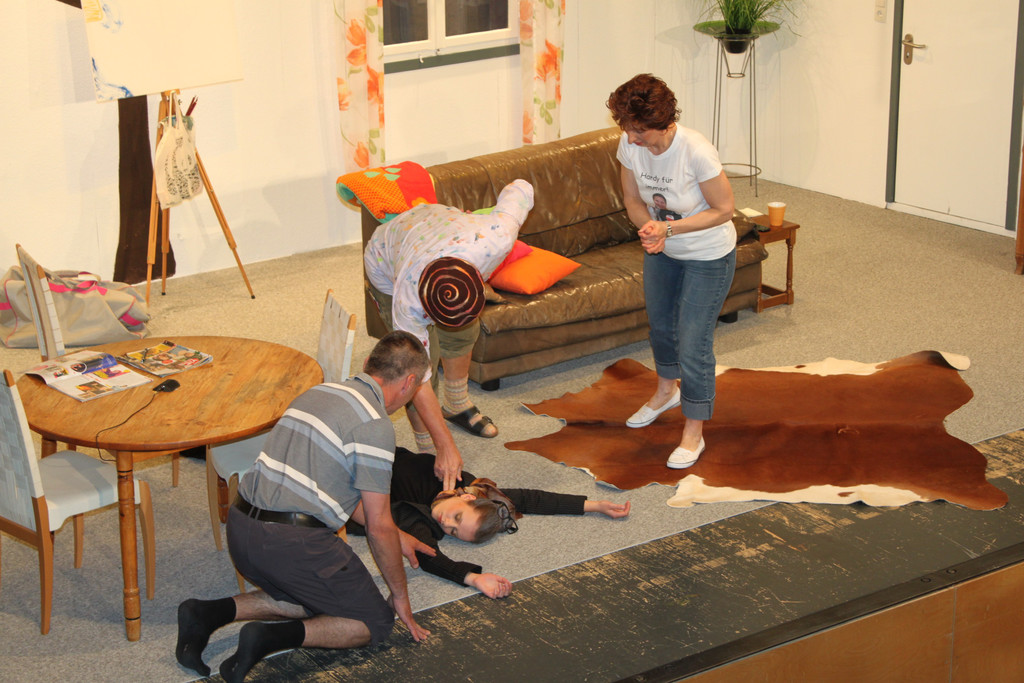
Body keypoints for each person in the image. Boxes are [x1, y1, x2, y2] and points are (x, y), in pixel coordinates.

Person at [175, 331, 436, 683]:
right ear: (408, 383)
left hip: (242, 529)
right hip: (290, 543)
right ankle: (267, 638)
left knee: (317, 594)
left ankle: (206, 613)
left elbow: (346, 494)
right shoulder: (375, 426)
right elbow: (377, 526)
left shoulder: (319, 392)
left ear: (367, 365)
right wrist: (400, 595)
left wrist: (395, 534)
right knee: (373, 621)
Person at [363, 178, 535, 488]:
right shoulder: (407, 300)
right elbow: (415, 379)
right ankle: (426, 447)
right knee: (414, 372)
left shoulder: (497, 236)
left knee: (463, 334)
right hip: (387, 256)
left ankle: (456, 404)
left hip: (439, 221)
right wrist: (444, 447)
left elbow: (521, 187)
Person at [606, 73, 737, 470]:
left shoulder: (696, 151)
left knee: (693, 342)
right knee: (662, 327)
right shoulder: (629, 146)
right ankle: (667, 391)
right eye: (626, 128)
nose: (630, 138)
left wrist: (669, 230)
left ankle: (694, 430)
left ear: (662, 123)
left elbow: (724, 210)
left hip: (708, 255)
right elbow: (632, 199)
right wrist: (648, 228)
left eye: (638, 130)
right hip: (662, 249)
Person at [346, 447, 631, 599]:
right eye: (457, 516)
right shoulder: (467, 484)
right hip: (368, 455)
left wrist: (474, 578)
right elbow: (529, 498)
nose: (445, 522)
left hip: (351, 495)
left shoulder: (420, 519)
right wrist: (593, 505)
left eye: (453, 531)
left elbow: (429, 556)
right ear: (468, 497)